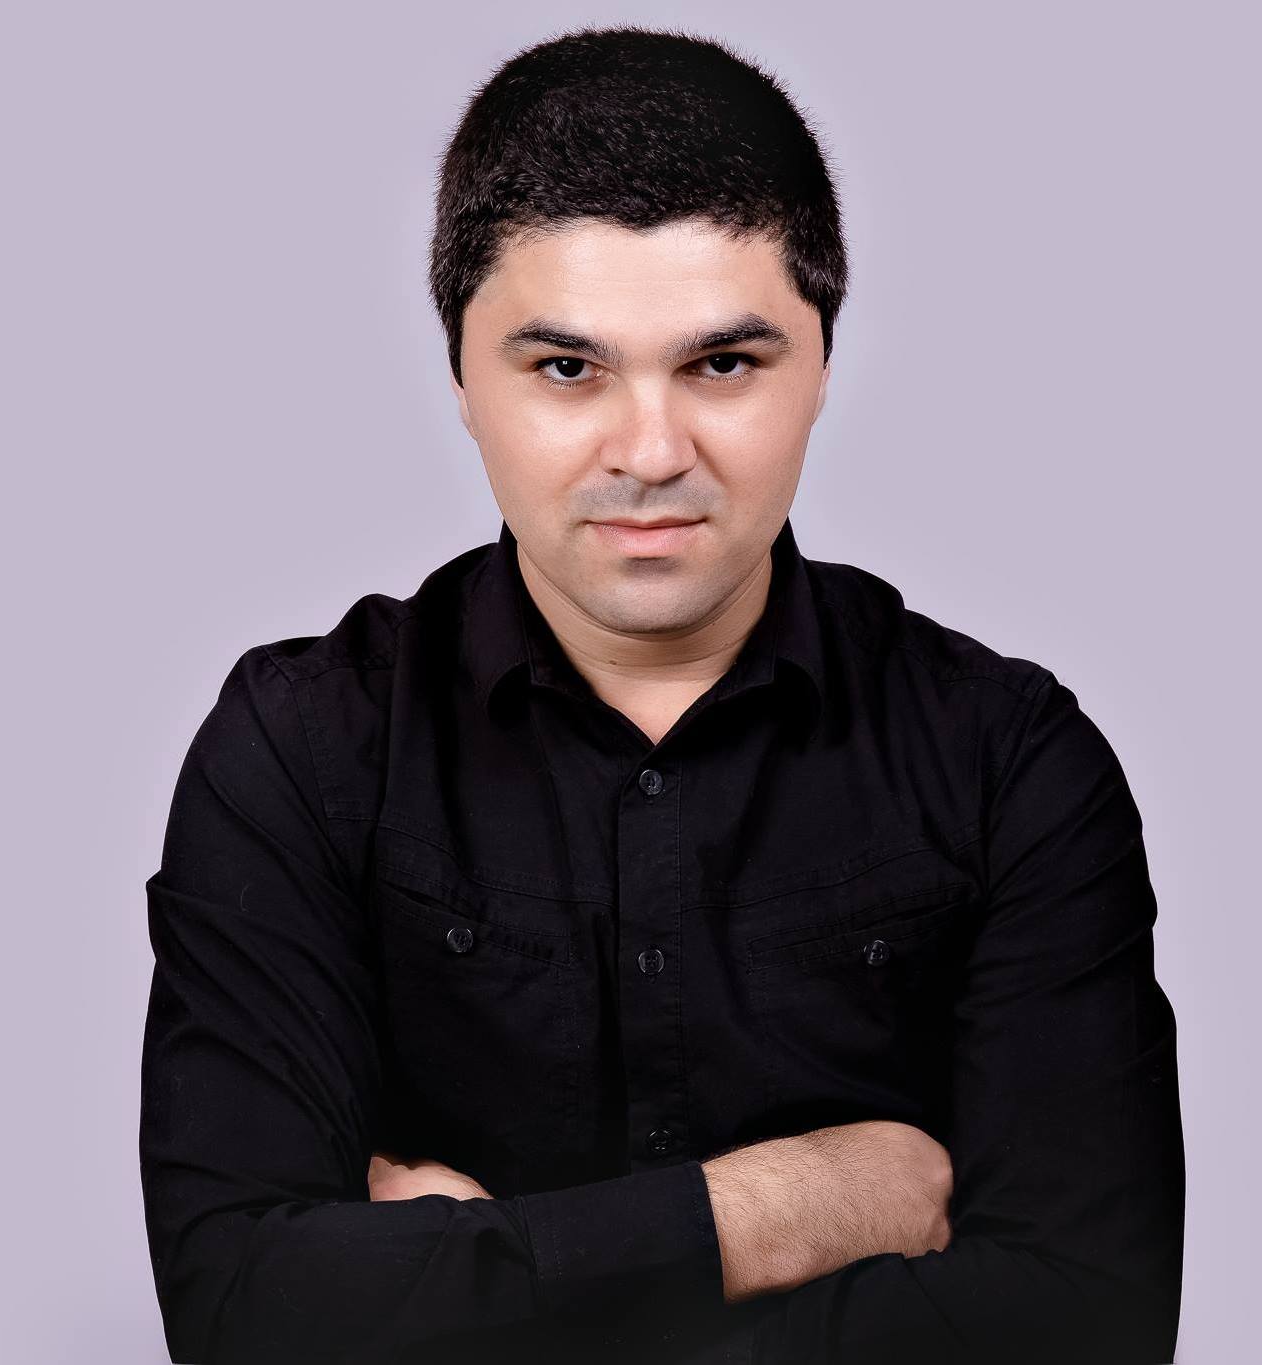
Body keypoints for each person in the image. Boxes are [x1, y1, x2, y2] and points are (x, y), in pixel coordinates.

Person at [138, 24, 1185, 1365]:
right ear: (461, 377)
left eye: (722, 364)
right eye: (566, 368)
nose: (649, 451)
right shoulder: (300, 747)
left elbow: (1088, 1323)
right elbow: (239, 1310)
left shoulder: (1008, 760)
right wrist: (782, 1209)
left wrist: (469, 1286)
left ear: (822, 365)